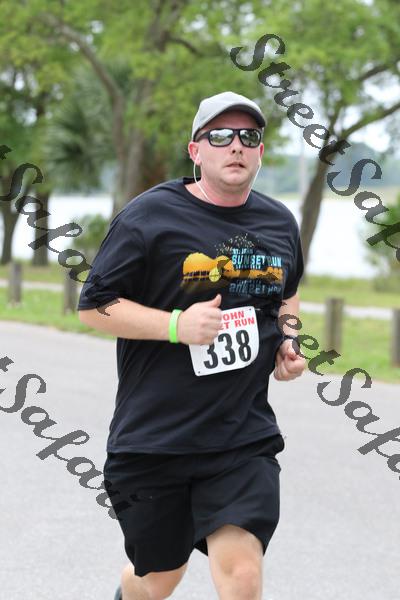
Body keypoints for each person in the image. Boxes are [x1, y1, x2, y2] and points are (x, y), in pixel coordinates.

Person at [77, 90, 306, 600]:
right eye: (220, 136)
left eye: (248, 136)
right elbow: (94, 307)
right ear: (195, 150)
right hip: (154, 440)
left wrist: (288, 340)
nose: (236, 146)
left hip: (241, 436)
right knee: (157, 578)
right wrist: (176, 326)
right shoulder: (148, 217)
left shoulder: (279, 223)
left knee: (242, 575)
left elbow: (287, 294)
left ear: (260, 152)